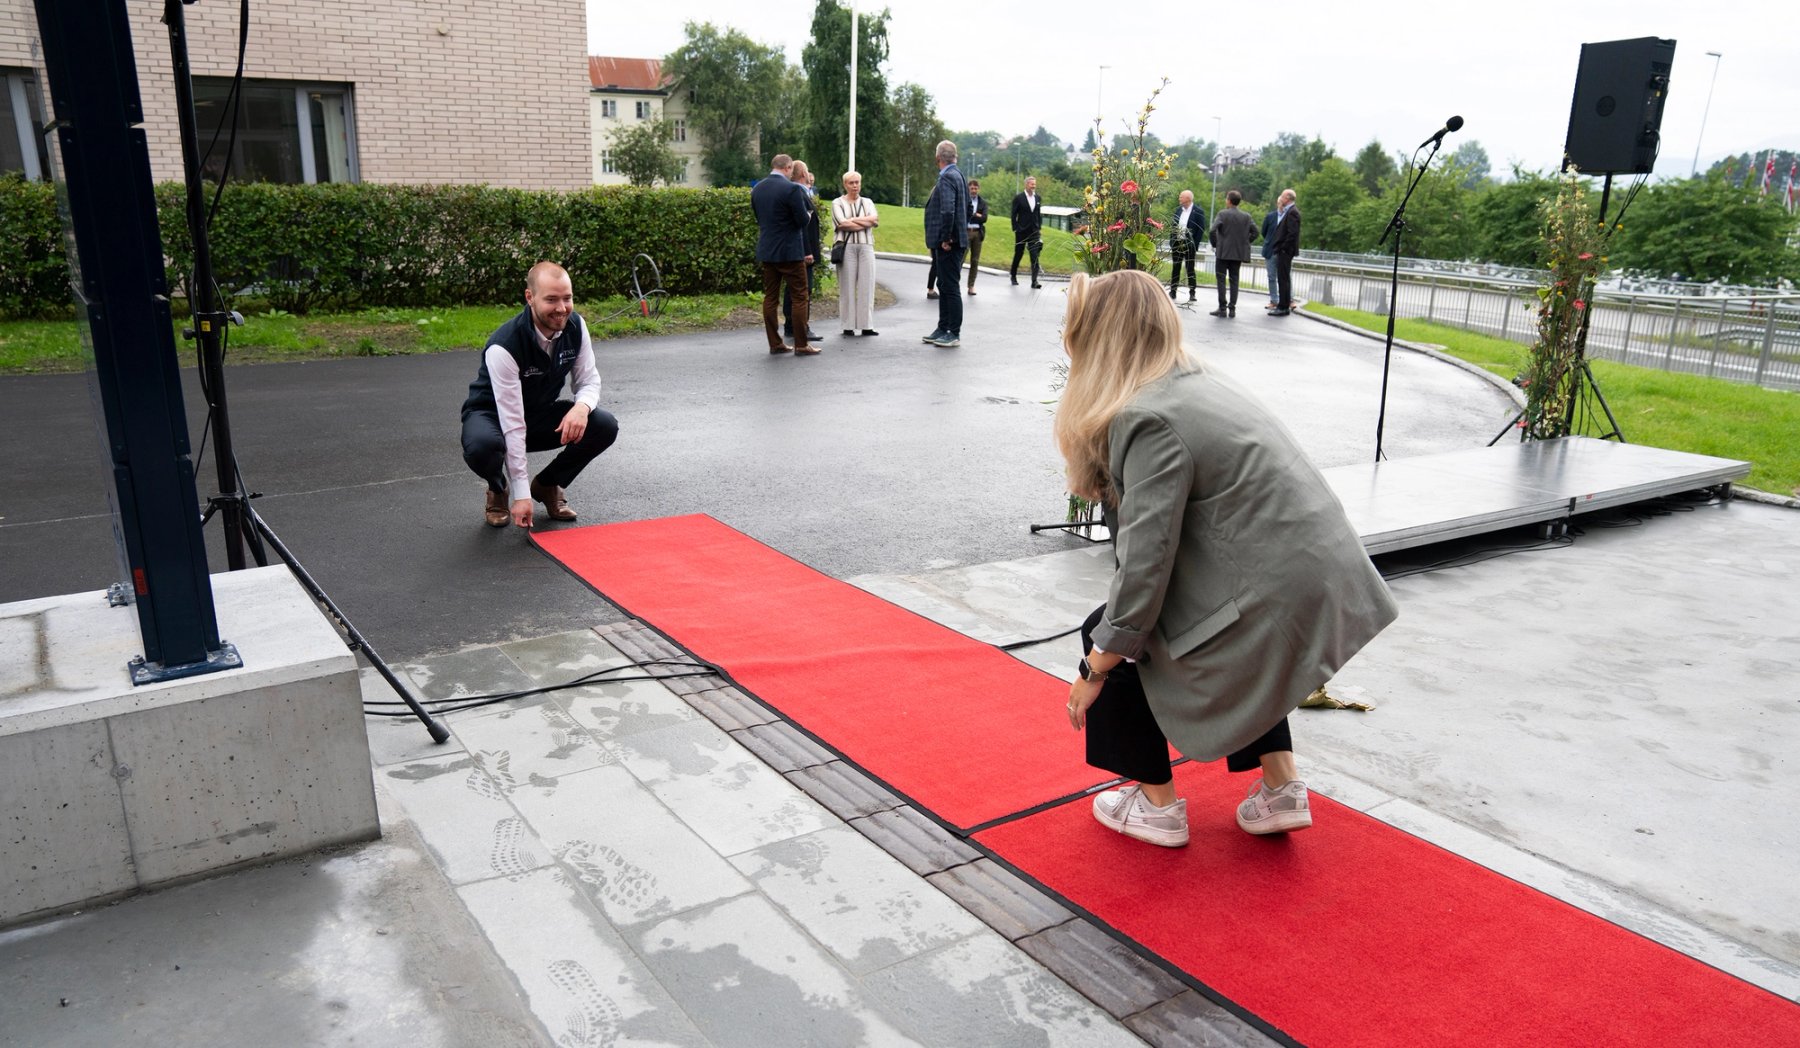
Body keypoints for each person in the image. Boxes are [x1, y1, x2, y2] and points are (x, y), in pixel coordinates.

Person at [1054, 269, 1396, 846]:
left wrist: (1095, 668)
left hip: (1273, 595)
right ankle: (1281, 787)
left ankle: (1157, 807)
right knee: (1227, 641)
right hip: (1317, 576)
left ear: (1098, 341)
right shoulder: (1198, 380)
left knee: (1114, 633)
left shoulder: (1145, 417)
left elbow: (1144, 569)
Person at [460, 262, 619, 529]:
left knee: (603, 425)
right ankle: (498, 489)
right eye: (551, 299)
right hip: (492, 416)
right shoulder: (504, 346)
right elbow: (512, 422)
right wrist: (521, 495)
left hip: (538, 413)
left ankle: (547, 484)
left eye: (567, 298)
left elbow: (589, 381)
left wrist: (581, 408)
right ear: (530, 297)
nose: (562, 308)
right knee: (482, 447)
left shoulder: (576, 326)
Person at [751, 153, 817, 355]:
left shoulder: (757, 188)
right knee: (800, 297)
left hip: (767, 250)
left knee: (770, 297)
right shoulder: (791, 189)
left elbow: (759, 218)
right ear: (788, 168)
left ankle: (775, 343)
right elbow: (802, 221)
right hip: (790, 251)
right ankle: (801, 344)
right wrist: (808, 215)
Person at [921, 140, 969, 348]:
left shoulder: (947, 177)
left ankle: (953, 332)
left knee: (950, 286)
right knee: (943, 284)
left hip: (949, 243)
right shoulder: (959, 175)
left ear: (938, 158)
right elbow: (967, 206)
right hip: (954, 240)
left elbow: (948, 210)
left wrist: (947, 238)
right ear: (954, 156)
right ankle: (943, 328)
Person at [832, 170, 880, 337]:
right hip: (846, 247)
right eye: (851, 183)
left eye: (857, 182)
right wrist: (865, 222)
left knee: (867, 285)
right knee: (847, 285)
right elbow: (842, 223)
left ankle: (867, 325)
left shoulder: (868, 202)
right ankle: (848, 325)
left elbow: (875, 220)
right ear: (845, 185)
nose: (855, 186)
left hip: (866, 245)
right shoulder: (837, 203)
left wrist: (852, 220)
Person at [782, 162, 824, 344]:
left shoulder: (795, 192)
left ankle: (791, 326)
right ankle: (801, 327)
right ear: (803, 174)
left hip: (797, 250)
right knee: (803, 290)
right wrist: (808, 251)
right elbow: (803, 225)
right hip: (803, 252)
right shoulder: (798, 193)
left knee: (793, 289)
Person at [1208, 190, 1256, 318]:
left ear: (1229, 201)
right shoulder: (1246, 217)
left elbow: (1212, 230)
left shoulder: (1222, 214)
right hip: (1238, 254)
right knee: (1234, 280)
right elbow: (1255, 232)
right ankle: (1232, 308)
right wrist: (1245, 242)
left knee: (1221, 280)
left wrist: (1216, 244)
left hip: (1223, 253)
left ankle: (1222, 308)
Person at [1167, 190, 1206, 302]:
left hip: (1189, 244)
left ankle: (1192, 292)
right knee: (1175, 268)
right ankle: (1173, 291)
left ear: (1188, 199)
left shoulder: (1198, 211)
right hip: (1177, 243)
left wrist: (1194, 244)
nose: (1179, 199)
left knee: (1190, 269)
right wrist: (1172, 241)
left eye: (1181, 197)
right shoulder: (1178, 210)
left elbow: (1201, 230)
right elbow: (1173, 226)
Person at [1266, 188, 1301, 316]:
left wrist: (1283, 248)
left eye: (1282, 196)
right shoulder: (1289, 211)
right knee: (1283, 278)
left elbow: (1292, 233)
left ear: (1287, 198)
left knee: (1283, 279)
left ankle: (1283, 306)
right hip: (1284, 250)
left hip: (1285, 251)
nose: (1280, 198)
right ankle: (1283, 305)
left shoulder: (1292, 212)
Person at [1010, 176, 1044, 288]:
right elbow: (1013, 214)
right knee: (1018, 254)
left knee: (1035, 256)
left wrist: (1039, 227)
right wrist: (1016, 228)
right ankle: (1013, 275)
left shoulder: (1037, 198)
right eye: (1031, 184)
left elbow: (1038, 214)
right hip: (1021, 231)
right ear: (1026, 185)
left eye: (1035, 184)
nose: (1034, 186)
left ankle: (1034, 281)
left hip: (1034, 232)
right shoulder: (1019, 198)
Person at [965, 178, 989, 295]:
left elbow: (984, 218)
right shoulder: (964, 200)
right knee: (961, 258)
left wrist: (973, 215)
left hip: (977, 233)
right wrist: (976, 215)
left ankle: (971, 286)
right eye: (972, 188)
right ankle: (954, 284)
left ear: (978, 189)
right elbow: (964, 215)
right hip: (965, 232)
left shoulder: (982, 202)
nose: (974, 190)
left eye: (975, 188)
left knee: (975, 260)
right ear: (968, 189)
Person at [1259, 203, 1280, 308]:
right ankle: (1274, 300)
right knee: (1271, 277)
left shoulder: (1288, 217)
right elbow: (1264, 232)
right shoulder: (1270, 216)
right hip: (1270, 250)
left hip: (1282, 252)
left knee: (1285, 277)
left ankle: (1288, 299)